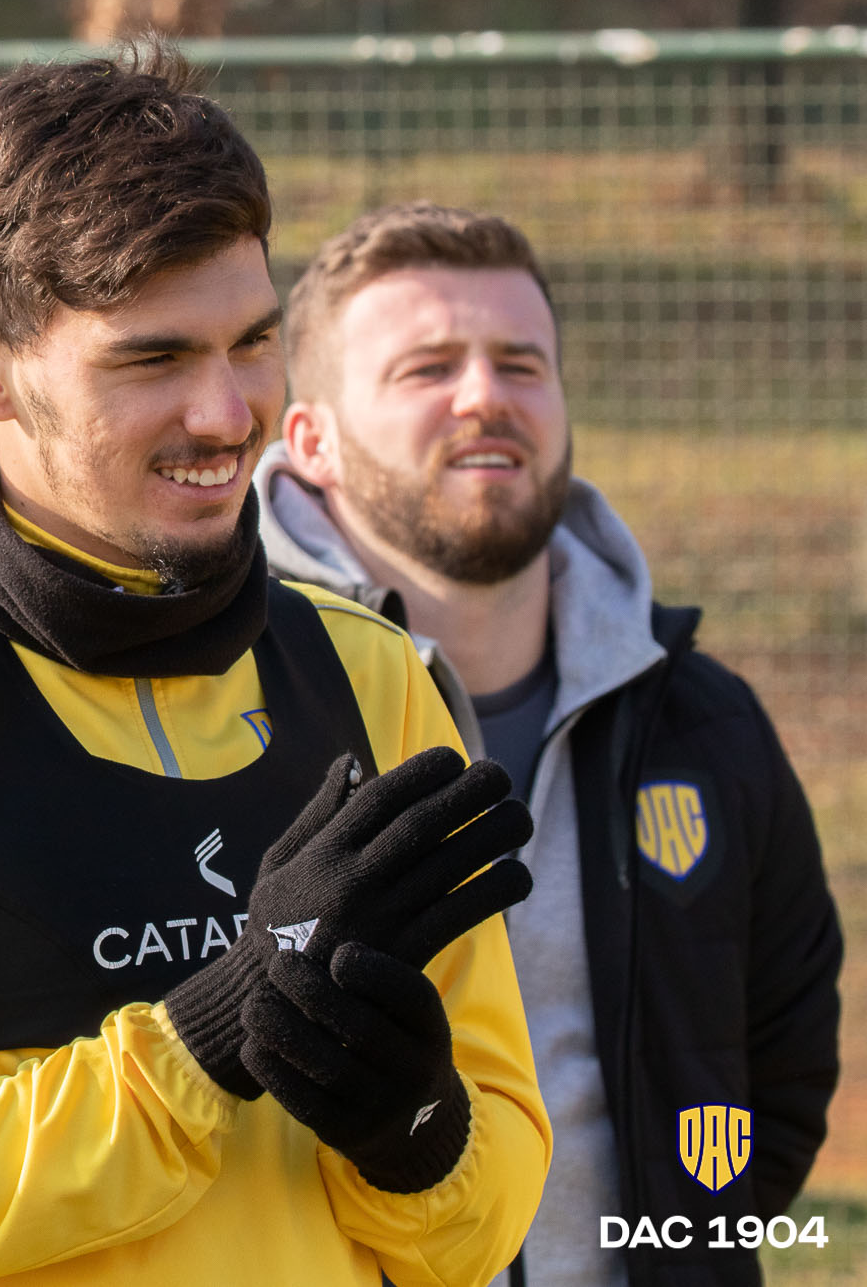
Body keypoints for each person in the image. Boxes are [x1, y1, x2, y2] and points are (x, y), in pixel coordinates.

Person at [0, 50, 550, 1286]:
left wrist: (411, 1131)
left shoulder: (367, 672)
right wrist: (212, 1035)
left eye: (252, 343)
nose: (226, 414)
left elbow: (482, 1229)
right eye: (152, 359)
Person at [258, 201, 843, 1284]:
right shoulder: (225, 712)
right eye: (427, 367)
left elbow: (784, 1062)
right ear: (312, 442)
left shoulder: (703, 723)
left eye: (520, 364)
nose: (484, 395)